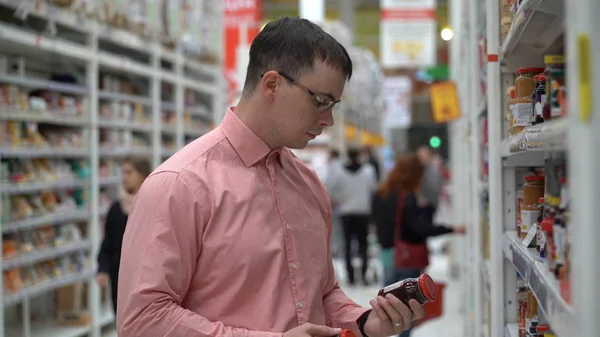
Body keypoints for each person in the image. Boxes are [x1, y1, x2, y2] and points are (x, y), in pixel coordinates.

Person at [116, 17, 424, 337]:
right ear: (272, 84)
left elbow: (323, 294)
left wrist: (362, 322)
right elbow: (143, 321)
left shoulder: (308, 185)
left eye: (334, 105)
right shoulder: (179, 185)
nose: (328, 120)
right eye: (320, 102)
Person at [371, 153, 465, 337]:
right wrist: (452, 229)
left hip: (387, 253)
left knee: (388, 306)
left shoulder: (380, 192)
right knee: (407, 308)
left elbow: (375, 221)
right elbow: (420, 227)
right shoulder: (407, 197)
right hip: (407, 255)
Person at [96, 158, 151, 315]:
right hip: (119, 278)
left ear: (143, 175)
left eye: (129, 172)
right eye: (123, 172)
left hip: (146, 279)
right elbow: (107, 243)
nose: (124, 177)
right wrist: (103, 269)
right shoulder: (115, 208)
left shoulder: (152, 205)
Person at [328, 147, 377, 285]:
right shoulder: (368, 171)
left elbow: (331, 189)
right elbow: (372, 190)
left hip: (346, 212)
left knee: (347, 245)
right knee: (363, 245)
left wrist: (339, 198)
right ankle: (363, 273)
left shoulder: (339, 172)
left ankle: (350, 276)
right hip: (363, 211)